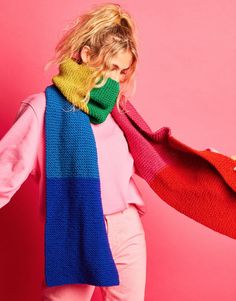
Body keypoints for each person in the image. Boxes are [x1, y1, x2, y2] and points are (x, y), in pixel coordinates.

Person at [1, 2, 236, 301]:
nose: (118, 80)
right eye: (113, 68)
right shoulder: (43, 109)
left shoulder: (118, 109)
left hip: (127, 228)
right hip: (77, 226)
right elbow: (4, 172)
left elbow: (158, 158)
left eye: (124, 71)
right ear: (87, 55)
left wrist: (213, 166)